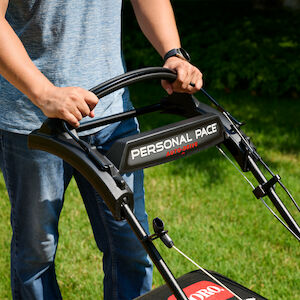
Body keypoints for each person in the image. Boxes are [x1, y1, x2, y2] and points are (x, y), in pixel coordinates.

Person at [0, 0, 203, 299]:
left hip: (112, 113)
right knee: (36, 254)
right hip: (33, 121)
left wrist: (172, 53)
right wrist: (44, 93)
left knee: (132, 246)